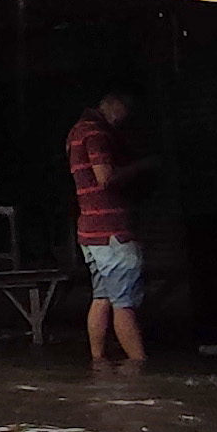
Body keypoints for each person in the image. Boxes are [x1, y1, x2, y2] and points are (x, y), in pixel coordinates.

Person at [68, 92, 147, 363]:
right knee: (124, 303)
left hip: (90, 231)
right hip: (112, 232)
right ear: (110, 105)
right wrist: (140, 167)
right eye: (123, 111)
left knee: (101, 297)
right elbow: (105, 178)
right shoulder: (97, 134)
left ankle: (98, 363)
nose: (122, 120)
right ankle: (140, 367)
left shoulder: (75, 133)